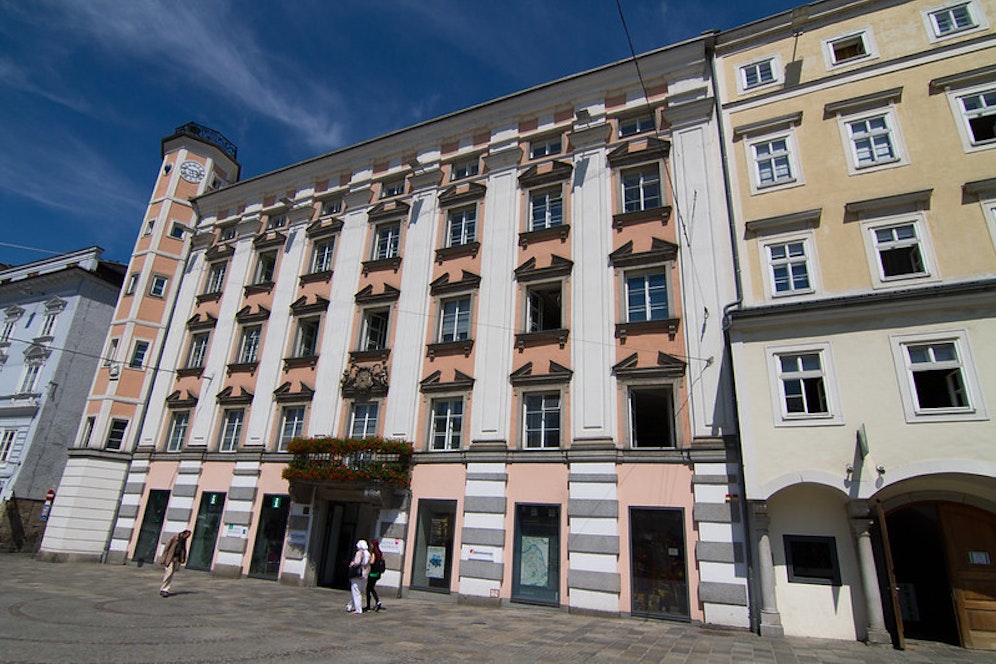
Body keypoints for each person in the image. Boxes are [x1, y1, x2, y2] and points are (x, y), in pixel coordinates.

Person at [159, 529, 191, 597]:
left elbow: (183, 550)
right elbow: (166, 548)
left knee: (171, 574)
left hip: (176, 559)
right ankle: (164, 589)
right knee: (169, 573)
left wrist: (183, 559)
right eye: (187, 535)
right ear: (184, 533)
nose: (187, 537)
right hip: (170, 558)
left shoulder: (183, 540)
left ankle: (165, 588)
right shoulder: (174, 537)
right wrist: (163, 559)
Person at [345, 539, 370, 614]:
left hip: (357, 575)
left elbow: (357, 562)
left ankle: (358, 609)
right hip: (364, 575)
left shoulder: (359, 553)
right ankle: (350, 606)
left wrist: (352, 564)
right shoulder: (368, 553)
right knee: (358, 591)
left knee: (356, 591)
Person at [366, 539, 385, 612]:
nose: (370, 545)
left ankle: (368, 606)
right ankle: (378, 601)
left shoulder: (374, 553)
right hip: (377, 574)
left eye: (371, 544)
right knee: (372, 588)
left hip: (372, 573)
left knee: (368, 589)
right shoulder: (380, 553)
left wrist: (368, 560)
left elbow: (372, 562)